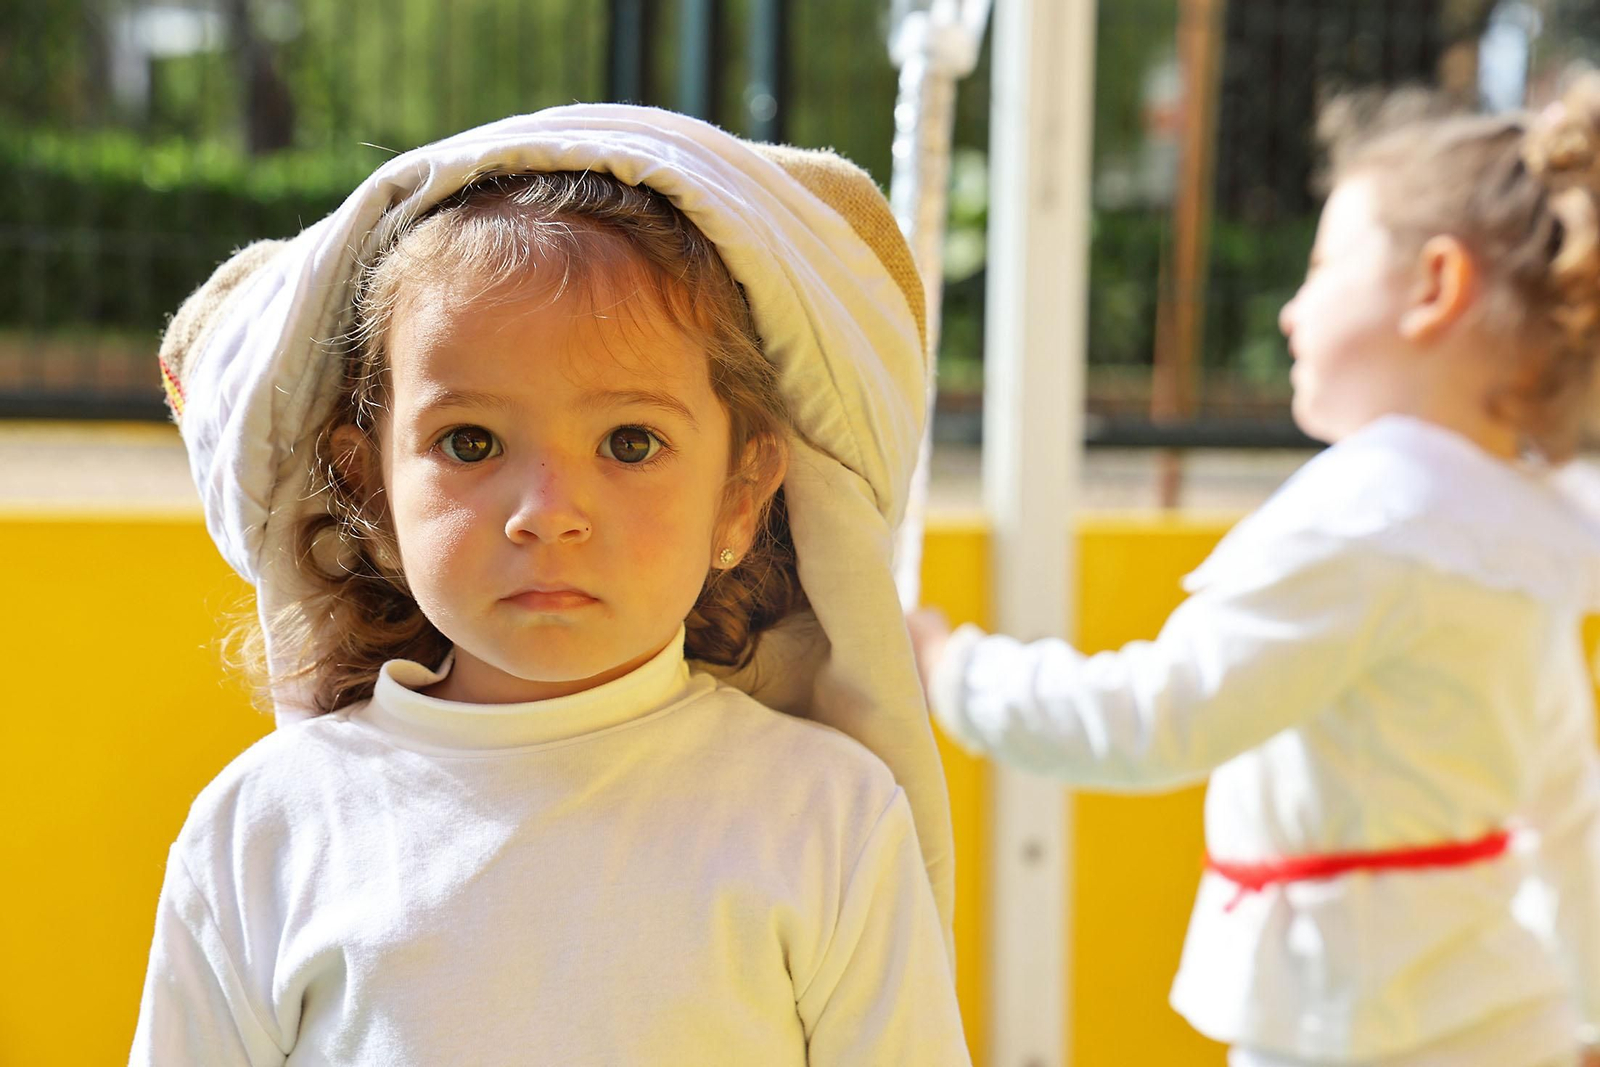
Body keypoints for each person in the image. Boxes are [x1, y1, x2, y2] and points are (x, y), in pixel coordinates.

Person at [133, 105, 968, 1065]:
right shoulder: (265, 829)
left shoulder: (830, 818)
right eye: (471, 442)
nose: (548, 511)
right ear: (369, 491)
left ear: (739, 496)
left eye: (630, 442)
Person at [911, 79, 1600, 1066]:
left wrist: (951, 673)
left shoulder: (1366, 514)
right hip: (1498, 1013)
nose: (1288, 307)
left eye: (1322, 263)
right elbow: (1568, 796)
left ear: (1434, 286)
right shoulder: (1509, 528)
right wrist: (1587, 1010)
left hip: (1352, 1018)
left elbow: (1157, 717)